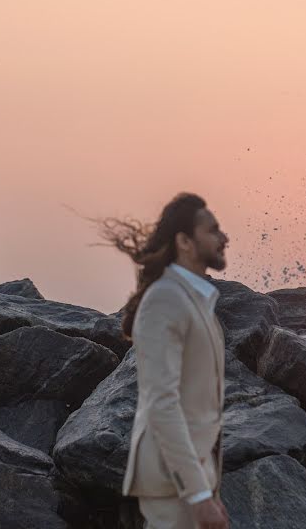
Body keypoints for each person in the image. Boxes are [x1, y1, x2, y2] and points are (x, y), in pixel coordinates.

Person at [105, 193, 230, 529]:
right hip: (171, 483)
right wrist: (198, 494)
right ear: (185, 242)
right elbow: (162, 402)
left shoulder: (195, 301)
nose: (223, 238)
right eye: (213, 231)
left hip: (192, 479)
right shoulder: (164, 299)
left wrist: (209, 489)